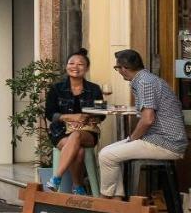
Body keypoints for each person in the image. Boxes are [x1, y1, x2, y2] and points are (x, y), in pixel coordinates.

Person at [98, 49, 188, 198]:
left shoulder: (144, 82)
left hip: (166, 143)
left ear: (124, 68)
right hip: (160, 139)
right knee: (106, 153)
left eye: (117, 68)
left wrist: (132, 139)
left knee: (107, 156)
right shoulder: (146, 79)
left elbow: (147, 119)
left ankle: (107, 200)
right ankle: (117, 199)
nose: (118, 71)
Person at [43, 49, 103, 194]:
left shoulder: (94, 89)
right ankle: (78, 187)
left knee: (76, 135)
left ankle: (56, 178)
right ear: (66, 66)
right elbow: (50, 114)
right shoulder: (56, 89)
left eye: (80, 64)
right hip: (61, 131)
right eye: (71, 63)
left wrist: (84, 119)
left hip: (87, 132)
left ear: (87, 68)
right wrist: (70, 118)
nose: (75, 67)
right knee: (79, 151)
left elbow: (101, 115)